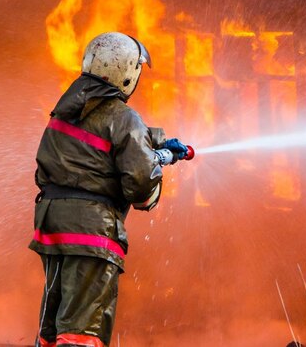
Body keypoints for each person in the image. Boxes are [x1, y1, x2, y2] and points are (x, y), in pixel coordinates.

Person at [30, 32, 189, 347]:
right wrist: (156, 169)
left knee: (53, 328)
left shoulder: (64, 112)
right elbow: (140, 186)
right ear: (128, 72)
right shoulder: (124, 117)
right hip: (91, 232)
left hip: (52, 228)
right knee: (80, 331)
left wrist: (153, 142)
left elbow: (100, 142)